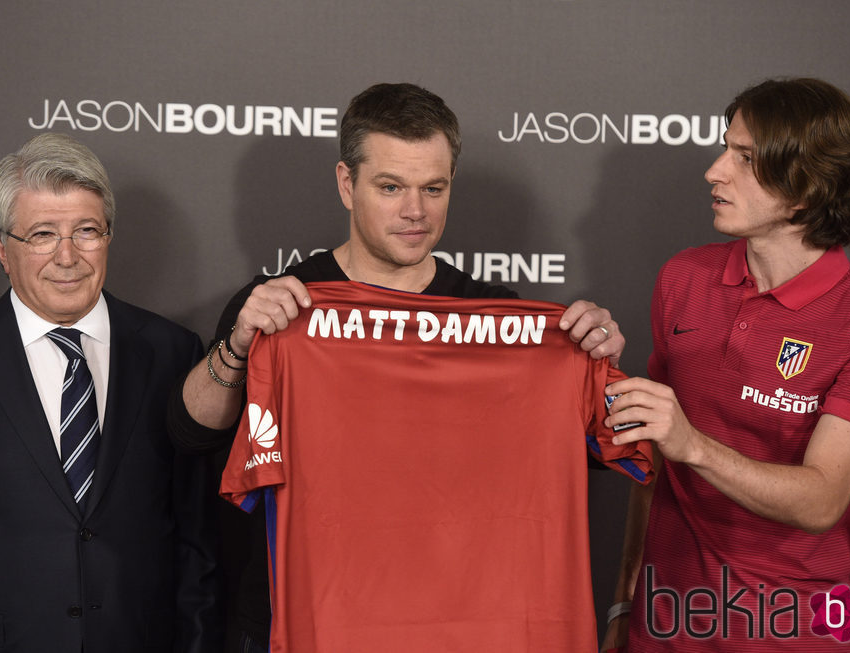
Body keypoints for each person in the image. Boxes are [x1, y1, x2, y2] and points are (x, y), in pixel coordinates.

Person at [168, 82, 627, 651]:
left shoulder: (501, 321)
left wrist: (592, 363)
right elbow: (190, 433)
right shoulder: (284, 306)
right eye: (391, 187)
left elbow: (595, 451)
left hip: (459, 624)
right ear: (346, 183)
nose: (415, 211)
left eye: (433, 188)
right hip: (305, 617)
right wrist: (238, 346)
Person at [601, 78, 850, 651]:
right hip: (665, 621)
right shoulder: (683, 277)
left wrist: (691, 444)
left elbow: (822, 501)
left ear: (809, 187)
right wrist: (624, 598)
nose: (715, 170)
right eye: (726, 149)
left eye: (745, 158)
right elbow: (651, 460)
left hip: (791, 629)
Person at [0, 133, 221, 653]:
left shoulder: (174, 353)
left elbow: (196, 542)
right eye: (42, 234)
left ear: (108, 236)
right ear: (1, 249)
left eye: (86, 230)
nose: (68, 257)